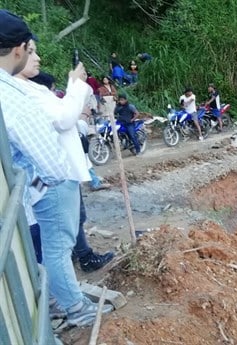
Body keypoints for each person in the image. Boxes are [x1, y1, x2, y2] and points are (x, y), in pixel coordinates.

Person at [0, 9, 112, 326]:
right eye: (31, 49)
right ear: (19, 48)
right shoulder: (11, 93)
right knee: (57, 249)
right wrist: (61, 178)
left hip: (37, 187)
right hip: (49, 185)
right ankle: (76, 309)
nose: (35, 57)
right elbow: (51, 136)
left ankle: (61, 302)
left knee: (53, 249)